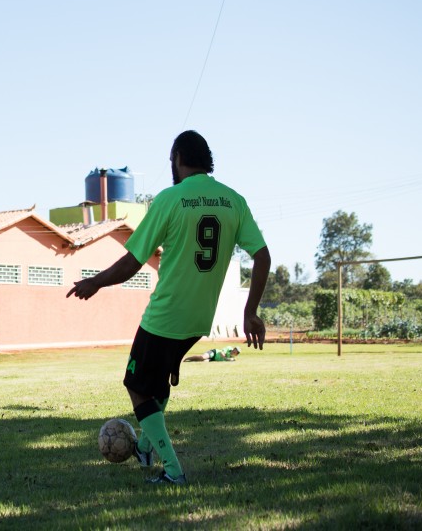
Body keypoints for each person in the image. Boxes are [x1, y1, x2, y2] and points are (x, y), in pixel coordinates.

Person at [66, 130, 270, 486]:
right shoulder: (233, 200)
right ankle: (145, 447)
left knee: (136, 384)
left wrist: (94, 282)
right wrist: (250, 310)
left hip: (166, 314)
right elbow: (263, 256)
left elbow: (132, 262)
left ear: (177, 158)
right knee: (157, 383)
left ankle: (173, 469)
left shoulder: (170, 199)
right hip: (199, 319)